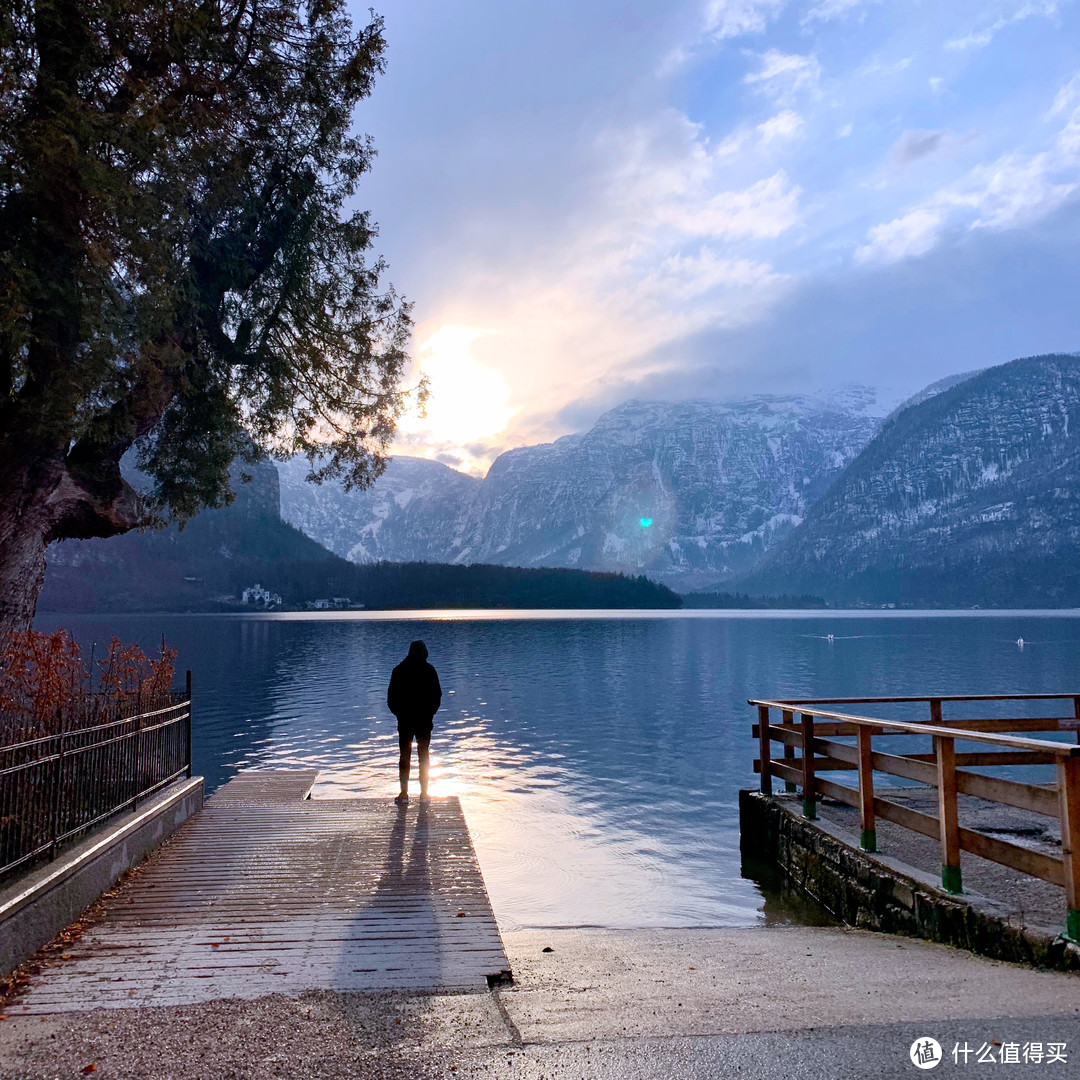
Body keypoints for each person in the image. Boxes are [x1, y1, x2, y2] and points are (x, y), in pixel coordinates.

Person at [386, 639, 442, 805]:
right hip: (424, 722)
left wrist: (400, 715)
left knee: (405, 757)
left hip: (405, 722)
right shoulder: (430, 670)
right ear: (424, 652)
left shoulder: (398, 670)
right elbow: (437, 697)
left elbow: (391, 699)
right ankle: (424, 793)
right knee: (423, 756)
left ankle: (404, 793)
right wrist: (429, 714)